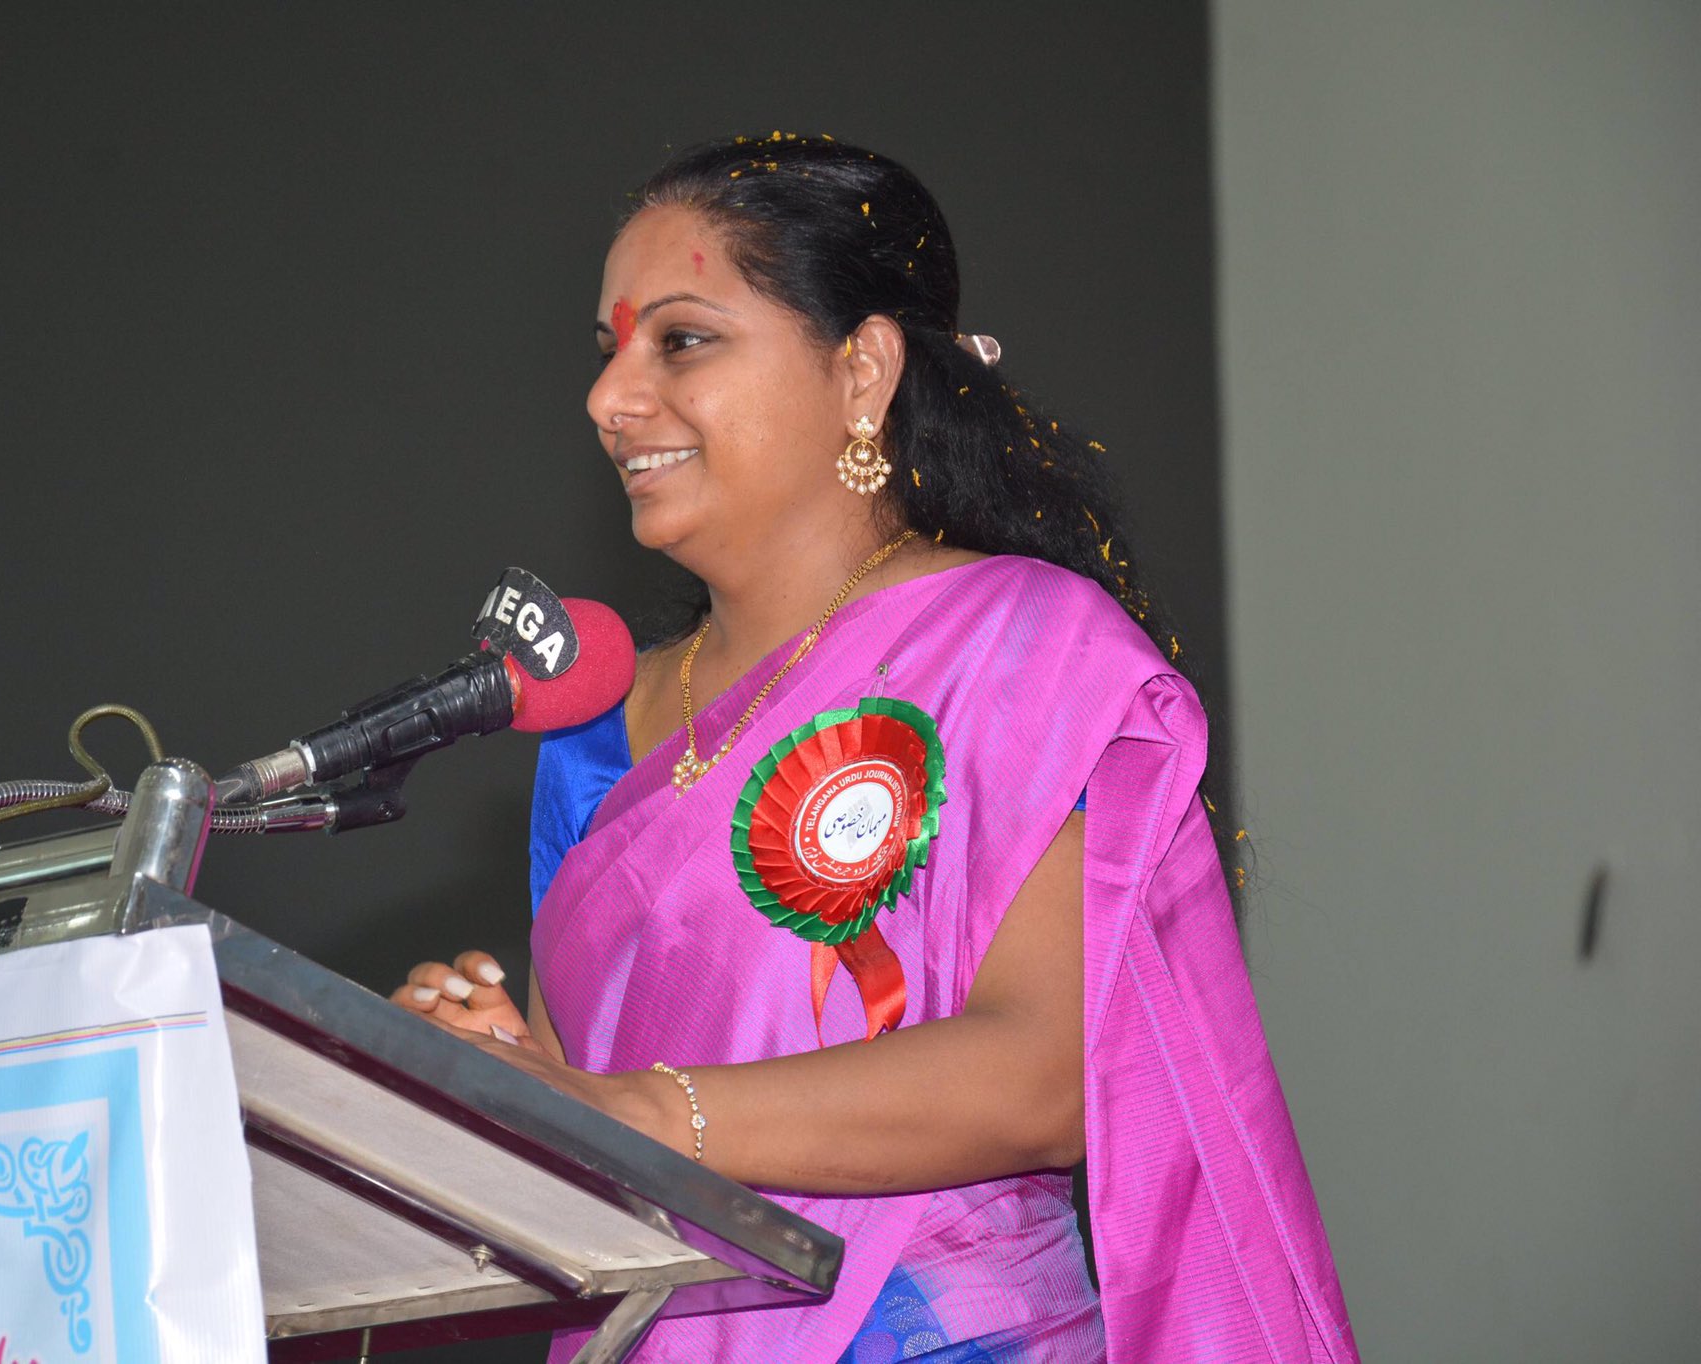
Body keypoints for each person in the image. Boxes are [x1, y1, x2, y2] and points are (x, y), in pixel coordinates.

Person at [393, 134, 1356, 1363]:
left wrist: (634, 1107)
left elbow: (1043, 1075)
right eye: (607, 350)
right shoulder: (592, 725)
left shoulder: (1017, 645)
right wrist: (491, 1082)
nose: (608, 398)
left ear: (862, 370)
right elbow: (595, 1168)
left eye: (678, 339)